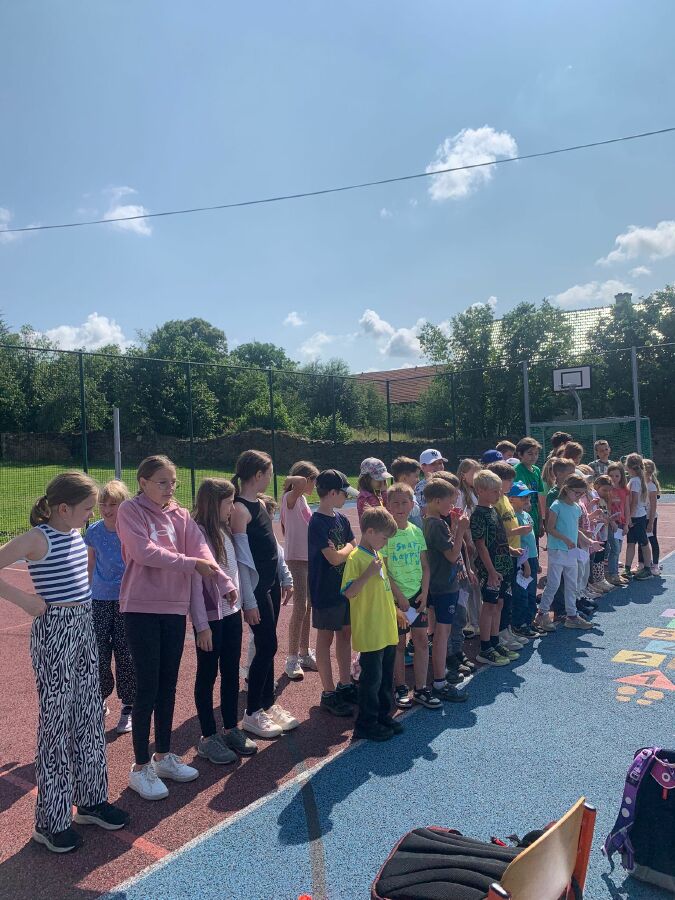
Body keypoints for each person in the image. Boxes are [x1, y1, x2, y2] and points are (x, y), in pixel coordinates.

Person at [0, 472, 129, 853]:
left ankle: (91, 801)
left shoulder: (76, 534)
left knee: (90, 714)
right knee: (56, 725)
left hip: (83, 625)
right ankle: (50, 821)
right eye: (87, 508)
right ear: (63, 508)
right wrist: (25, 601)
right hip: (54, 629)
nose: (92, 515)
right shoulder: (38, 538)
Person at [117, 455, 221, 799]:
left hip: (174, 609)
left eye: (173, 482)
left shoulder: (181, 514)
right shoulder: (130, 511)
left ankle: (163, 756)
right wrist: (191, 563)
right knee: (147, 687)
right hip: (141, 609)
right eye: (162, 482)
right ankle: (140, 767)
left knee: (168, 686)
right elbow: (144, 552)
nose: (169, 488)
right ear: (143, 482)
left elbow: (200, 548)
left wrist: (220, 578)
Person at [230, 450, 298, 739]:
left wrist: (284, 575)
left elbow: (274, 547)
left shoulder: (259, 504)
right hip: (256, 589)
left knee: (268, 645)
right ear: (258, 475)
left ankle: (268, 704)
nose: (271, 478)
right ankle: (252, 711)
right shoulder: (239, 510)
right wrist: (248, 600)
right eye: (269, 473)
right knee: (267, 645)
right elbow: (243, 560)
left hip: (270, 585)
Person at [190, 478, 258, 764]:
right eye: (228, 503)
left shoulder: (225, 529)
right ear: (213, 503)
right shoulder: (197, 533)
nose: (232, 508)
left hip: (231, 615)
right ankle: (208, 736)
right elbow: (194, 585)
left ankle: (231, 728)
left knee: (230, 671)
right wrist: (202, 625)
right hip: (210, 618)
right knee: (207, 674)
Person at [341, 507, 402, 741]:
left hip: (386, 628)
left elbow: (384, 590)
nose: (386, 543)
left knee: (386, 677)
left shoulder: (376, 555)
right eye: (384, 538)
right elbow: (349, 592)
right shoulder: (356, 558)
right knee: (371, 680)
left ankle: (382, 716)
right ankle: (365, 723)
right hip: (371, 630)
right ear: (369, 531)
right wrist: (367, 573)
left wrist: (396, 611)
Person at [381, 482, 441, 711]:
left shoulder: (416, 531)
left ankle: (422, 688)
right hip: (397, 600)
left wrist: (424, 593)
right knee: (398, 644)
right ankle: (400, 687)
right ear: (388, 505)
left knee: (421, 641)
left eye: (404, 502)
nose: (399, 507)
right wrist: (399, 597)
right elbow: (384, 570)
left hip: (417, 596)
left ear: (411, 505)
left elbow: (425, 566)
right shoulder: (385, 534)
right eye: (395, 503)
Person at [84, 478, 135, 734]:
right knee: (99, 653)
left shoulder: (131, 531)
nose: (106, 509)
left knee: (126, 654)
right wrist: (86, 595)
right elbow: (90, 566)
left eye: (112, 504)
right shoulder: (93, 532)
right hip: (99, 600)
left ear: (123, 505)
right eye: (103, 504)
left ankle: (128, 706)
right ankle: (100, 698)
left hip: (127, 601)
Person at [308, 469, 358, 716]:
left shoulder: (342, 519)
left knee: (345, 634)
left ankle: (345, 684)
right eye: (343, 493)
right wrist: (346, 549)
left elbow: (351, 546)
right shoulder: (317, 522)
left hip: (344, 590)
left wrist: (344, 549)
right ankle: (328, 692)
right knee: (325, 638)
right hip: (325, 590)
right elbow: (334, 558)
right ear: (332, 493)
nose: (346, 497)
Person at [422, 479, 470, 702]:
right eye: (449, 502)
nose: (452, 507)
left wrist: (455, 526)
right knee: (442, 633)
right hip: (443, 585)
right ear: (436, 501)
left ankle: (441, 674)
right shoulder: (435, 524)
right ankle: (440, 680)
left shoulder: (433, 522)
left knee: (441, 632)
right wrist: (461, 530)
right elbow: (452, 555)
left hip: (440, 583)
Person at [535, 475, 596, 631]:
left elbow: (575, 529)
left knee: (571, 584)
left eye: (582, 493)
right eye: (577, 492)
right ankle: (542, 614)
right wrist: (565, 539)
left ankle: (572, 615)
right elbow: (550, 528)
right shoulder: (557, 505)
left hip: (571, 551)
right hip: (557, 550)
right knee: (554, 584)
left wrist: (589, 541)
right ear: (567, 489)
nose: (579, 496)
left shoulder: (576, 508)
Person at [470, 470, 514, 666]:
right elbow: (480, 545)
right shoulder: (478, 514)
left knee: (499, 604)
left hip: (503, 567)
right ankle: (485, 647)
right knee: (488, 606)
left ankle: (495, 642)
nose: (499, 494)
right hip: (491, 570)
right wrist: (490, 571)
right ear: (480, 490)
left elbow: (497, 538)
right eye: (494, 491)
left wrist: (510, 550)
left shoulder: (494, 510)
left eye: (499, 490)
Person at [280, 461, 319, 681]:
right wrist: (294, 480)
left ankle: (304, 653)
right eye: (314, 480)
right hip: (295, 559)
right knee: (300, 607)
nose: (314, 485)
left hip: (308, 559)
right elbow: (299, 482)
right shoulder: (290, 497)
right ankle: (292, 658)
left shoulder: (302, 499)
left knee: (308, 606)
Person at [487, 461, 531, 651]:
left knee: (507, 596)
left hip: (512, 553)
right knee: (500, 599)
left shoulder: (505, 498)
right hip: (501, 556)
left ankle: (506, 630)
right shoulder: (495, 502)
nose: (511, 484)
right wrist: (517, 532)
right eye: (509, 481)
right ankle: (499, 633)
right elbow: (496, 533)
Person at [508, 482, 540, 639]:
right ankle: (519, 624)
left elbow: (532, 541)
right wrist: (525, 563)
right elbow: (518, 543)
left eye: (528, 496)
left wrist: (535, 561)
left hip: (532, 558)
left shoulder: (526, 515)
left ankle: (529, 621)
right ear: (511, 499)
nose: (527, 499)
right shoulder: (513, 518)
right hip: (523, 561)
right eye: (523, 497)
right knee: (522, 594)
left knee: (531, 593)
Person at [456, 459, 482, 638]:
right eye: (474, 473)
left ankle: (476, 618)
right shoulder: (460, 494)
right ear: (463, 475)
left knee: (476, 582)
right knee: (471, 583)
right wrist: (468, 542)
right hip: (469, 539)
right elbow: (461, 521)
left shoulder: (474, 491)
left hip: (477, 538)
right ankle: (471, 622)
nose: (477, 476)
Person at [623, 453, 653, 580]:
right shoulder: (636, 479)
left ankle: (647, 569)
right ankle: (627, 568)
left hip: (637, 517)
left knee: (643, 542)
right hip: (636, 515)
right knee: (631, 542)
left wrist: (629, 517)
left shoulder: (635, 481)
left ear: (628, 466)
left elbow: (634, 501)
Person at [513, 438, 546, 544]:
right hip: (522, 515)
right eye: (530, 453)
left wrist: (541, 521)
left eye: (536, 453)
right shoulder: (517, 471)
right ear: (520, 454)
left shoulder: (537, 470)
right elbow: (518, 496)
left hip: (534, 514)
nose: (534, 456)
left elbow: (538, 496)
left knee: (535, 546)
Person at [607, 462, 630, 586]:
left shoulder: (624, 490)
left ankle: (615, 573)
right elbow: (607, 508)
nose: (614, 478)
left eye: (617, 476)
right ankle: (612, 574)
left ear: (621, 476)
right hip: (612, 523)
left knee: (619, 549)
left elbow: (626, 508)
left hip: (621, 524)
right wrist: (612, 522)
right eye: (611, 476)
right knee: (614, 548)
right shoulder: (608, 490)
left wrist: (626, 524)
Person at [639, 460, 661, 575]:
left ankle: (655, 565)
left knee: (652, 539)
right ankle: (641, 563)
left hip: (650, 517)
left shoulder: (651, 487)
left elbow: (653, 507)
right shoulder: (639, 484)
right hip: (641, 516)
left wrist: (651, 522)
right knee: (641, 540)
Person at [356, 458, 392, 525]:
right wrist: (385, 494)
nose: (383, 483)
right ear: (366, 479)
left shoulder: (377, 492)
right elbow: (382, 516)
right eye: (379, 480)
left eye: (384, 480)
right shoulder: (364, 498)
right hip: (374, 529)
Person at [390, 456, 423, 527]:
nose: (418, 480)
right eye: (416, 476)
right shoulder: (397, 497)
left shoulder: (411, 494)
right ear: (404, 478)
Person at [414, 448, 447, 513]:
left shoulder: (449, 483)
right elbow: (423, 511)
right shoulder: (420, 488)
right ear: (422, 467)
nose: (438, 466)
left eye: (440, 463)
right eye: (433, 464)